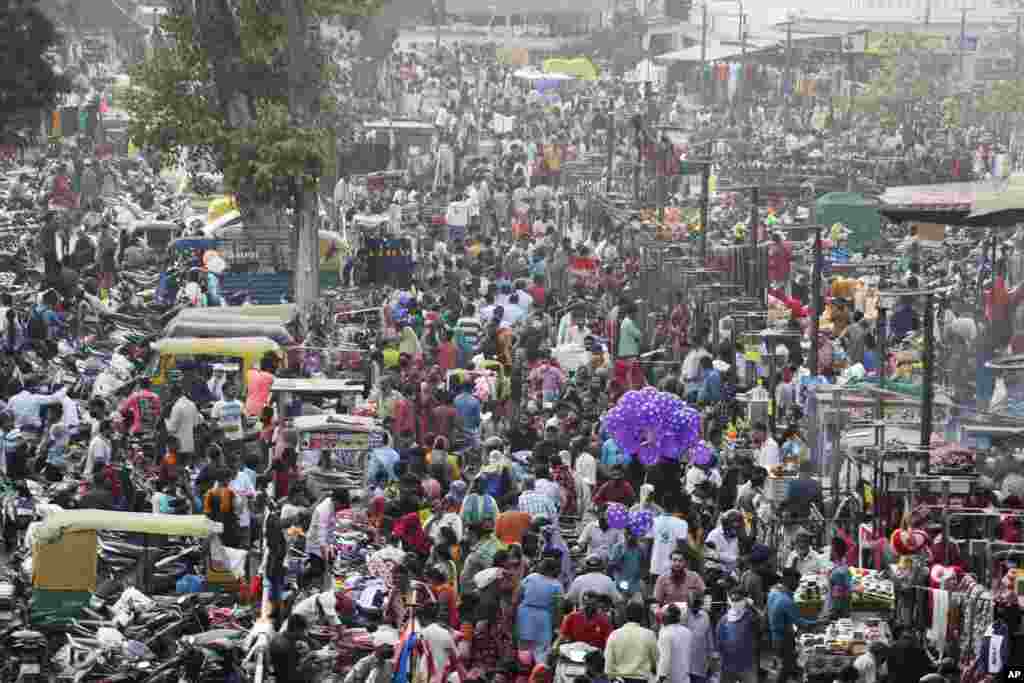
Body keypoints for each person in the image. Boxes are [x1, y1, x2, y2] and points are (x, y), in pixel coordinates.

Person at [768, 568, 816, 683]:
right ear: (788, 580)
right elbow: (800, 623)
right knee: (785, 668)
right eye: (796, 582)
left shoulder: (773, 592)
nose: (798, 585)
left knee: (788, 663)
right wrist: (818, 622)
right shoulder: (786, 601)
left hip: (775, 636)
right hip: (784, 639)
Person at [516, 556, 564, 662]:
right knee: (541, 649)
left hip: (525, 614)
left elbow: (518, 595)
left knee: (524, 646)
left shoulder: (531, 577)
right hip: (543, 618)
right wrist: (557, 624)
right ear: (554, 570)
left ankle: (522, 671)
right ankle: (538, 672)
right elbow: (559, 608)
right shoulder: (557, 585)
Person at [304, 489, 349, 590]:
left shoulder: (332, 506)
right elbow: (321, 535)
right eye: (340, 504)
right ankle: (306, 582)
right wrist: (326, 556)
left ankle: (322, 585)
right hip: (316, 544)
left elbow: (331, 528)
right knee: (318, 570)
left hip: (326, 543)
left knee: (327, 568)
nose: (340, 508)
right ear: (336, 500)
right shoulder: (324, 509)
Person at [604, 602, 658, 683]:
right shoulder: (649, 635)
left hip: (620, 679)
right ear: (642, 617)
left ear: (625, 616)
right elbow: (656, 660)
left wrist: (612, 677)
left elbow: (608, 665)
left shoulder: (614, 634)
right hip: (643, 679)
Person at [717, 586, 759, 683]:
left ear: (745, 600)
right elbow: (719, 641)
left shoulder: (750, 617)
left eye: (738, 599)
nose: (735, 602)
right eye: (733, 599)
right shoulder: (724, 620)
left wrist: (753, 606)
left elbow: (763, 622)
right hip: (728, 665)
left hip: (747, 665)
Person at [165, 385, 202, 466]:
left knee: (176, 468)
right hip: (189, 444)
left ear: (172, 394)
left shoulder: (177, 406)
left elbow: (172, 428)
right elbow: (196, 423)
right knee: (186, 468)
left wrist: (166, 422)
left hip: (177, 446)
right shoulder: (192, 404)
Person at [657, 603, 693, 683]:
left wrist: (660, 678)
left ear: (666, 617)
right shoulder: (687, 632)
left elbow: (664, 658)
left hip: (669, 679)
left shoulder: (665, 633)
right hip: (685, 678)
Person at [211, 383, 245, 460]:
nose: (234, 391)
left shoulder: (240, 404)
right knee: (226, 460)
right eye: (232, 389)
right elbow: (213, 423)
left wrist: (244, 432)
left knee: (238, 460)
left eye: (235, 389)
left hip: (238, 438)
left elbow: (243, 418)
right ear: (224, 391)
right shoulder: (218, 405)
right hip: (225, 440)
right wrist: (221, 437)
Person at [704, 510, 742, 574]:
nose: (735, 530)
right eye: (733, 528)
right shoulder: (714, 535)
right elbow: (709, 554)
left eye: (737, 528)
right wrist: (733, 559)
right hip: (716, 571)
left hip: (733, 572)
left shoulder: (737, 537)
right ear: (726, 525)